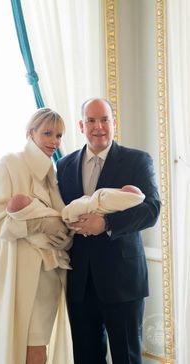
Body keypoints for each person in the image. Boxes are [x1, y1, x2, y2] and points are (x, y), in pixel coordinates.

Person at [57, 98, 161, 364]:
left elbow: (151, 210)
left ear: (114, 123)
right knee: (86, 358)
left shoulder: (136, 160)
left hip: (123, 282)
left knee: (127, 358)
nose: (98, 126)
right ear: (81, 125)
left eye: (104, 119)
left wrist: (106, 224)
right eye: (91, 120)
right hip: (80, 283)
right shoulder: (64, 165)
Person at [0, 108, 72, 364]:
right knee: (29, 348)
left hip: (48, 275)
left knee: (37, 347)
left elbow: (61, 221)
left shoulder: (52, 174)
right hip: (21, 273)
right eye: (47, 133)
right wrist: (39, 224)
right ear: (30, 133)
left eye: (58, 135)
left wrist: (63, 235)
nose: (54, 141)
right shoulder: (9, 164)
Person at [61, 185, 145, 225]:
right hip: (78, 253)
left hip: (119, 253)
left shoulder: (138, 159)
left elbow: (151, 210)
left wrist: (105, 223)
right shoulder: (63, 163)